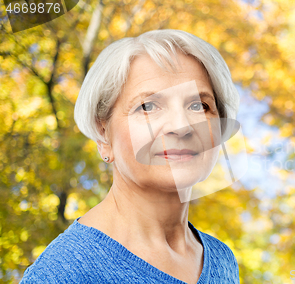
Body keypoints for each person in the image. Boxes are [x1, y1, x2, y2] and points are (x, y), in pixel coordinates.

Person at [21, 29, 240, 284]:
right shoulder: (63, 274)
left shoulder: (222, 260)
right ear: (103, 134)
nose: (181, 126)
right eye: (148, 107)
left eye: (199, 106)